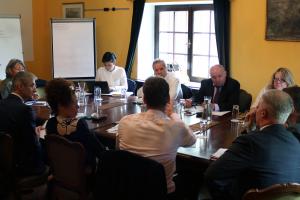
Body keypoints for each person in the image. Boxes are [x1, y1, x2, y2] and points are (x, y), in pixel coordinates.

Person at [204, 90, 300, 200]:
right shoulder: (295, 142)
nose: (255, 110)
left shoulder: (250, 142)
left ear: (263, 113)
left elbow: (212, 176)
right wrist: (252, 130)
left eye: (258, 107)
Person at [117, 76, 196, 195]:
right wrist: (173, 115)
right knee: (194, 174)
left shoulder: (125, 121)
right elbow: (192, 140)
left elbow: (118, 150)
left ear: (143, 99)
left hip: (128, 188)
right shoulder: (175, 126)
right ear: (168, 100)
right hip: (161, 191)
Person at [45, 78, 106, 170]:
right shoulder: (79, 124)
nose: (78, 106)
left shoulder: (50, 123)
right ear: (61, 105)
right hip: (84, 173)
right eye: (74, 103)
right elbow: (100, 151)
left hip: (61, 172)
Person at [0, 71, 45, 177]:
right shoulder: (24, 110)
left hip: (3, 163)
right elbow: (33, 145)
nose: (35, 89)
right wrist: (36, 136)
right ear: (20, 86)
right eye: (32, 85)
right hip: (21, 166)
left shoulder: (2, 103)